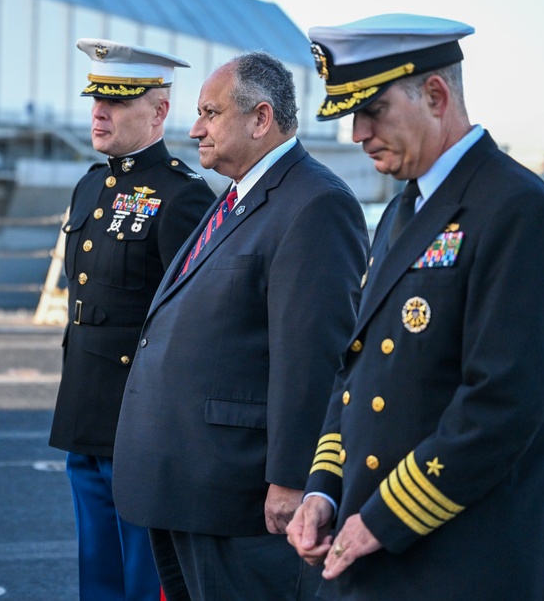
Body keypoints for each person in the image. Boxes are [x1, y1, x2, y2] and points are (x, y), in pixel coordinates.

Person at [287, 13, 544, 600]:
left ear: (436, 94)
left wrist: (383, 519)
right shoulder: (404, 210)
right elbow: (359, 371)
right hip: (377, 544)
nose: (356, 133)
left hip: (467, 558)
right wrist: (324, 487)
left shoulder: (518, 210)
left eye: (372, 111)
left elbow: (502, 403)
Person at [111, 51, 369, 600]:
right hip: (188, 485)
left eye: (210, 112)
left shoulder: (315, 205)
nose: (195, 128)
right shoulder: (234, 197)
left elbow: (313, 357)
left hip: (241, 495)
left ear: (260, 118)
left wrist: (293, 477)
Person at [49, 38, 216, 601]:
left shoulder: (182, 196)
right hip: (84, 411)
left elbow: (190, 327)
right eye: (97, 98)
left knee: (146, 583)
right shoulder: (90, 186)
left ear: (160, 111)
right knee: (96, 575)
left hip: (140, 425)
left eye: (117, 100)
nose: (100, 111)